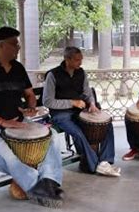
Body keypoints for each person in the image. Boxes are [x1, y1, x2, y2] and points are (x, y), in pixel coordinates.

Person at [0, 27, 64, 208]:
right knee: (9, 156)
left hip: (17, 121)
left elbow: (29, 94)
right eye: (14, 43)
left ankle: (50, 181)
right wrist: (2, 122)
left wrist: (31, 107)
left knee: (52, 137)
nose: (18, 47)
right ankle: (36, 186)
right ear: (1, 45)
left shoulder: (18, 68)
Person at [43, 46, 120, 177]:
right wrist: (72, 102)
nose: (81, 63)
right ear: (67, 59)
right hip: (60, 115)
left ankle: (106, 161)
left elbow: (87, 92)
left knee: (107, 124)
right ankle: (95, 165)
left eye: (81, 59)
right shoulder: (52, 75)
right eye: (77, 60)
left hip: (79, 111)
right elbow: (47, 101)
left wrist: (92, 103)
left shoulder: (81, 72)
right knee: (78, 133)